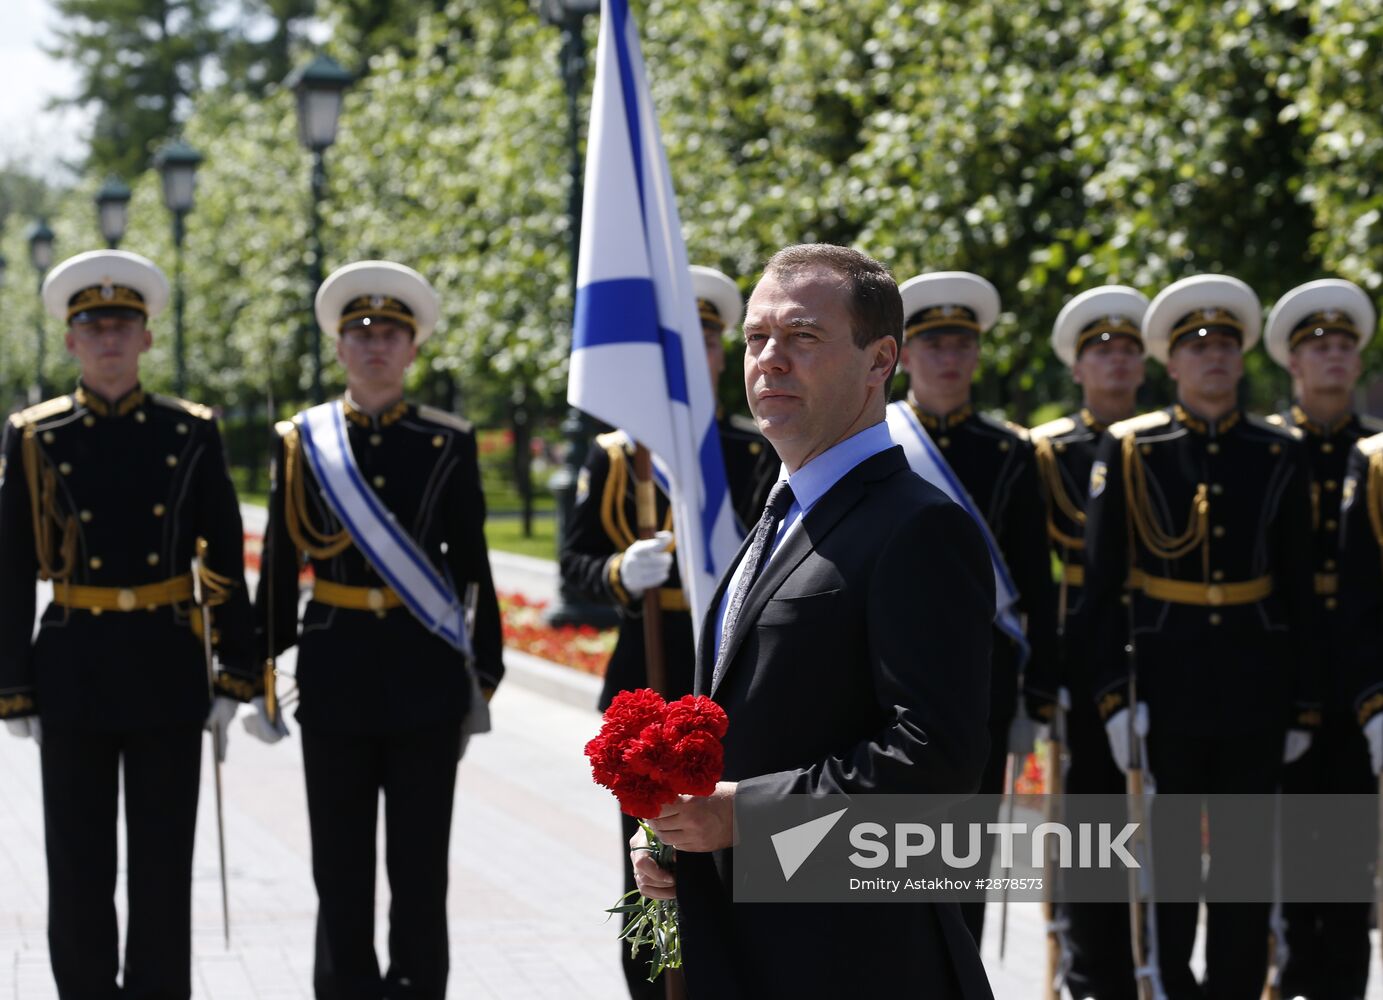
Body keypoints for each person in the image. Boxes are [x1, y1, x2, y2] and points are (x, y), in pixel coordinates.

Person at [631, 244, 995, 998]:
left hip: (854, 956)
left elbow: (935, 756)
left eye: (802, 337)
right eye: (757, 338)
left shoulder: (917, 527)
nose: (770, 359)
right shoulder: (782, 511)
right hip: (751, 943)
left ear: (878, 361)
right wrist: (680, 840)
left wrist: (744, 820)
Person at [0, 249, 255, 999]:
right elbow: (11, 564)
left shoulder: (190, 431)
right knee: (77, 866)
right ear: (71, 340)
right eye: (92, 326)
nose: (108, 340)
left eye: (123, 325)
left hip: (166, 662)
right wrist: (12, 685)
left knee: (162, 864)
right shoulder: (35, 435)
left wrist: (234, 672)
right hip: (74, 662)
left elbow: (226, 556)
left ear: (146, 339)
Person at [246, 260, 503, 1000]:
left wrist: (481, 672)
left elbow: (474, 564)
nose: (375, 345)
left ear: (413, 348)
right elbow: (280, 563)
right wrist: (258, 669)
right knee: (341, 867)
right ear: (338, 349)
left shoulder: (446, 441)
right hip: (333, 673)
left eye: (391, 333)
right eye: (360, 333)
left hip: (424, 675)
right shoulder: (302, 442)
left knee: (421, 868)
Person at [1082, 273, 1318, 998]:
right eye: (1196, 345)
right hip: (1166, 682)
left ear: (1242, 359)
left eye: (1224, 343)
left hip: (1254, 684)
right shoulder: (1132, 449)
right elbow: (1098, 594)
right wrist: (1114, 702)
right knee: (1171, 868)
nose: (1213, 355)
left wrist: (1303, 704)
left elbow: (1299, 590)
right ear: (1171, 364)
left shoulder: (1278, 452)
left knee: (1245, 868)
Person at [559, 264, 777, 1000]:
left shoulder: (759, 449)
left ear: (721, 355)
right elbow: (575, 566)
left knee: (738, 861)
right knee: (651, 872)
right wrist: (624, 572)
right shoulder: (621, 455)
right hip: (649, 690)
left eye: (707, 342)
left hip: (739, 679)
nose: (694, 357)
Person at [890, 269, 1060, 943]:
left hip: (980, 686)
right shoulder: (872, 437)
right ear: (902, 354)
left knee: (963, 869)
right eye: (934, 344)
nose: (949, 358)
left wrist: (1035, 698)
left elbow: (1032, 580)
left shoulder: (1010, 451)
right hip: (889, 677)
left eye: (962, 344)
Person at [1029, 284, 1150, 1000]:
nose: (1116, 361)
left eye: (1129, 350)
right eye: (1100, 350)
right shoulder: (1047, 453)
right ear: (1076, 368)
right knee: (1090, 825)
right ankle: (1092, 973)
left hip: (1161, 645)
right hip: (1080, 652)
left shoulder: (1167, 442)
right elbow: (1032, 577)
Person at [1262, 278, 1379, 1000]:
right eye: (1317, 348)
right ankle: (1291, 978)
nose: (1332, 359)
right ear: (1292, 366)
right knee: (1285, 858)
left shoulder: (1373, 452)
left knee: (1349, 858)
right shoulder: (1273, 449)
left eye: (1343, 348)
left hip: (1363, 673)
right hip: (1285, 670)